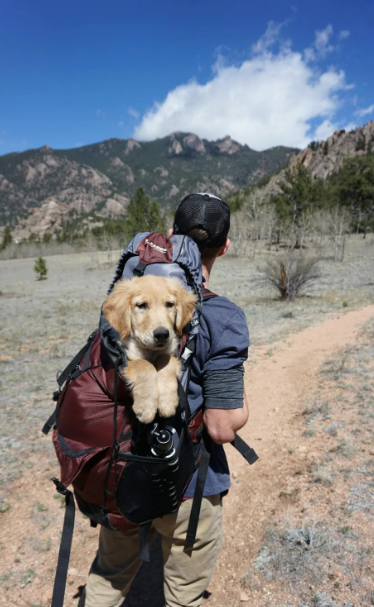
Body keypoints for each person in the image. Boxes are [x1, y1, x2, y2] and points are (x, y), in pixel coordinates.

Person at [81, 192, 250, 607]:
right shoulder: (223, 316)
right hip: (190, 484)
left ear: (171, 237)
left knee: (108, 577)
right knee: (183, 593)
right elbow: (221, 425)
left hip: (121, 473)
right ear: (225, 247)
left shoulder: (132, 301)